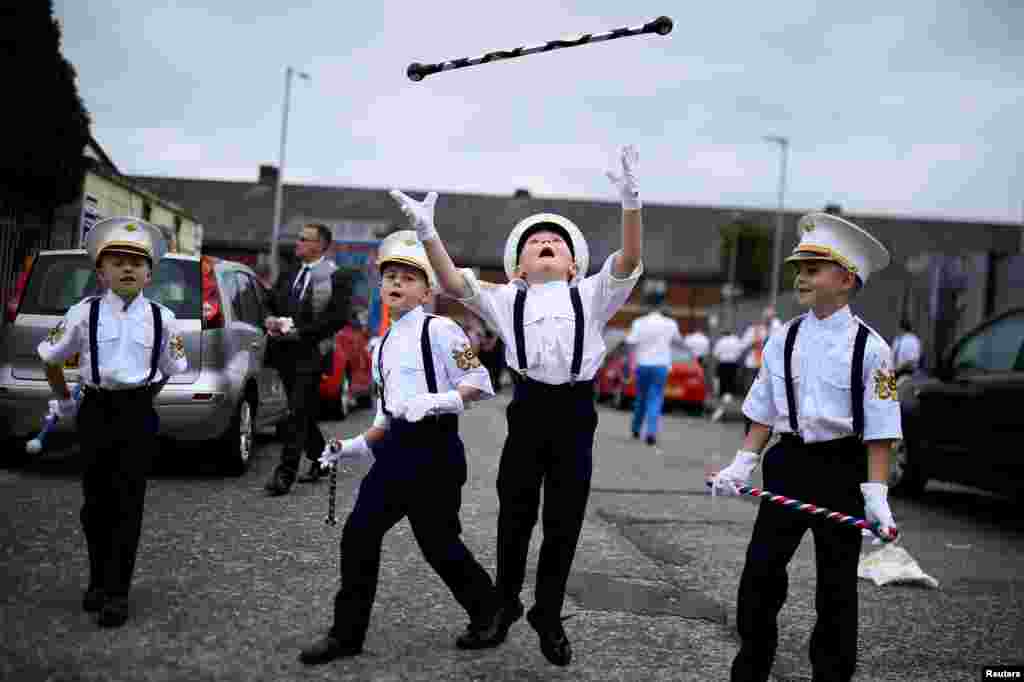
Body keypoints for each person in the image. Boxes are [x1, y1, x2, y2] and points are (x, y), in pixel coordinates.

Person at [389, 145, 643, 666]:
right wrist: (427, 234)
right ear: (519, 269)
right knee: (515, 515)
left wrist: (631, 204)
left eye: (556, 243)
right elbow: (455, 283)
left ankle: (547, 613)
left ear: (574, 266)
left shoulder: (594, 296)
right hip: (528, 411)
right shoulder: (507, 298)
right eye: (535, 244)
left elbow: (630, 261)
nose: (546, 245)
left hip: (575, 413)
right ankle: (504, 605)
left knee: (564, 520)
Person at [709, 212, 902, 682]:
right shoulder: (784, 337)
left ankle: (831, 676)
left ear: (847, 279)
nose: (801, 276)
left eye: (813, 269)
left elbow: (880, 429)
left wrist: (876, 494)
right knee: (761, 572)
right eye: (799, 268)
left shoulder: (871, 350)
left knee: (836, 587)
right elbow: (764, 409)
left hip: (842, 468)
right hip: (790, 463)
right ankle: (751, 667)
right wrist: (743, 462)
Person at [299, 232, 500, 664]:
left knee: (439, 546)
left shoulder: (441, 329)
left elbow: (480, 383)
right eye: (390, 276)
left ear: (427, 291)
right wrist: (347, 447)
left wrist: (439, 400)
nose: (396, 283)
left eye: (409, 278)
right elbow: (382, 421)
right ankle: (346, 635)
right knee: (358, 536)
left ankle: (489, 611)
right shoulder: (382, 345)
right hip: (396, 451)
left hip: (436, 451)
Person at [37, 216, 188, 628]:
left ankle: (117, 593)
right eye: (117, 261)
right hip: (95, 412)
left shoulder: (163, 318)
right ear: (100, 271)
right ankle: (98, 579)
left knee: (128, 504)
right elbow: (50, 357)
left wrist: (143, 397)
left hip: (136, 415)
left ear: (149, 273)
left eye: (136, 263)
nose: (127, 269)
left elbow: (170, 367)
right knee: (95, 504)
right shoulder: (82, 313)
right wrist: (64, 399)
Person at [263, 223, 352, 494]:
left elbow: (337, 319)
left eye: (304, 239)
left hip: (311, 354)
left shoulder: (337, 277)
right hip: (282, 353)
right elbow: (271, 301)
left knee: (296, 414)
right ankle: (323, 459)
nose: (298, 243)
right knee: (300, 413)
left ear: (320, 245)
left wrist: (301, 333)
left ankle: (284, 475)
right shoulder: (290, 272)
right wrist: (270, 319)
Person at [624, 278, 685, 446]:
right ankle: (651, 432)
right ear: (662, 306)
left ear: (648, 306)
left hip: (642, 365)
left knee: (641, 398)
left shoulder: (639, 323)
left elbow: (630, 344)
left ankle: (636, 429)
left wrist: (630, 364)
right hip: (661, 366)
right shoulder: (670, 324)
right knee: (655, 398)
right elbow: (679, 342)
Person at [741, 306, 782, 391]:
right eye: (767, 317)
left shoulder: (776, 329)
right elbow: (743, 345)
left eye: (771, 317)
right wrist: (753, 344)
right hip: (754, 364)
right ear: (763, 317)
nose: (769, 319)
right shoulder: (754, 329)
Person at [710, 326, 744, 422]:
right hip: (733, 365)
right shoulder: (737, 340)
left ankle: (721, 407)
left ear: (724, 334)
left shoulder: (721, 341)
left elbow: (716, 354)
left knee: (723, 385)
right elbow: (739, 353)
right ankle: (727, 402)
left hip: (723, 364)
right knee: (731, 384)